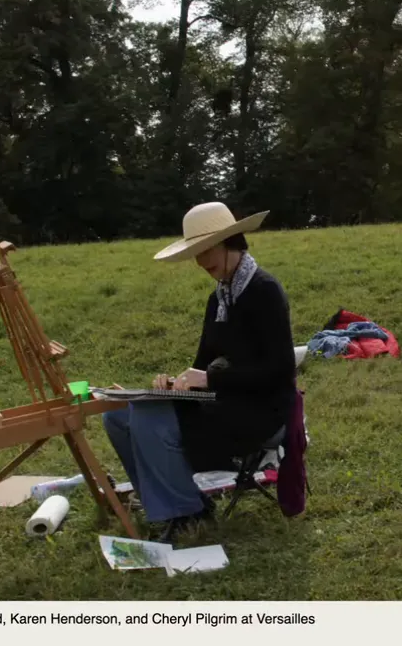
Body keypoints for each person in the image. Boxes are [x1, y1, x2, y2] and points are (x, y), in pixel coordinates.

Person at [102, 202, 297, 542]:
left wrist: (209, 379)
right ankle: (162, 502)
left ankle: (187, 512)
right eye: (196, 253)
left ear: (230, 242)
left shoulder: (265, 290)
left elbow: (279, 370)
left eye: (207, 250)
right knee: (118, 415)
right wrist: (174, 383)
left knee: (150, 420)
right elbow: (203, 363)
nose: (202, 261)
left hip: (259, 410)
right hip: (222, 401)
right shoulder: (218, 298)